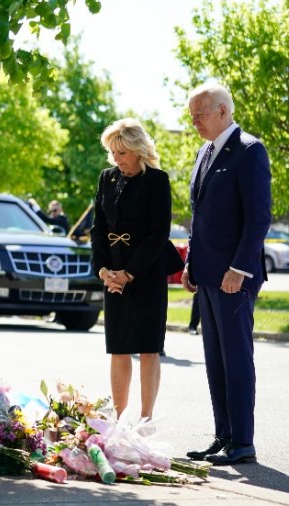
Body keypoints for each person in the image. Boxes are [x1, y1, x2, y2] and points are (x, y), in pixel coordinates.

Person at [182, 83, 270, 466]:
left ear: (222, 111)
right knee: (215, 360)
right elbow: (200, 216)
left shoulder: (249, 150)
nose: (194, 121)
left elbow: (258, 217)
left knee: (236, 359)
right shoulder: (204, 151)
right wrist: (191, 263)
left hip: (235, 277)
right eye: (191, 115)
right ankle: (223, 436)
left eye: (199, 113)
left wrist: (240, 267)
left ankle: (243, 442)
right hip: (207, 276)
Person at [90, 118, 172, 422]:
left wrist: (129, 274)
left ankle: (146, 418)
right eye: (113, 153)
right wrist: (104, 271)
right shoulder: (106, 178)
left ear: (138, 150)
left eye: (121, 153)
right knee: (119, 348)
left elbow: (158, 234)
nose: (116, 159)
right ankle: (118, 417)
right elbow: (98, 228)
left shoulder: (157, 180)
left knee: (149, 347)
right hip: (112, 274)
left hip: (146, 273)